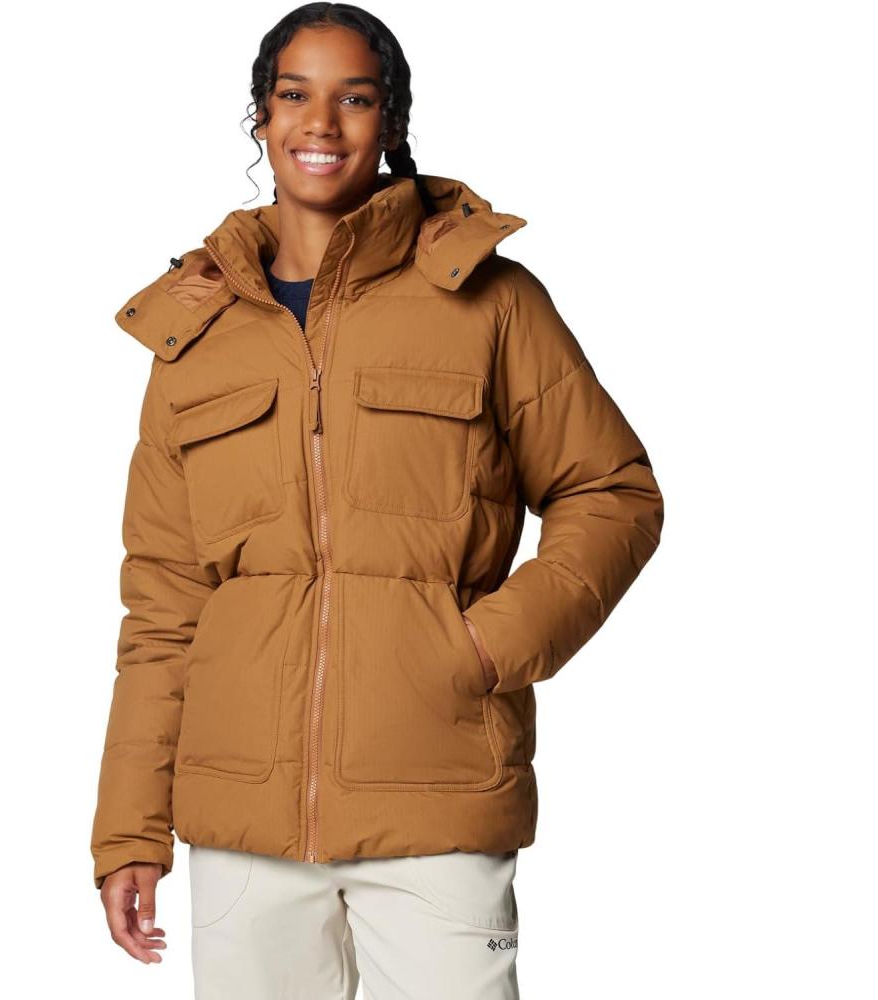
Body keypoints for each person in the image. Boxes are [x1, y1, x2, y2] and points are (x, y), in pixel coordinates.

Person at [90, 4, 664, 997]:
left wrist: (482, 648)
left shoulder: (489, 300)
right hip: (241, 825)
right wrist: (130, 827)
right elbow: (165, 604)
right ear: (262, 117)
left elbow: (611, 492)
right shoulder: (195, 338)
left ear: (390, 121)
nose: (321, 123)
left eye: (354, 98)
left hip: (437, 799)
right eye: (294, 94)